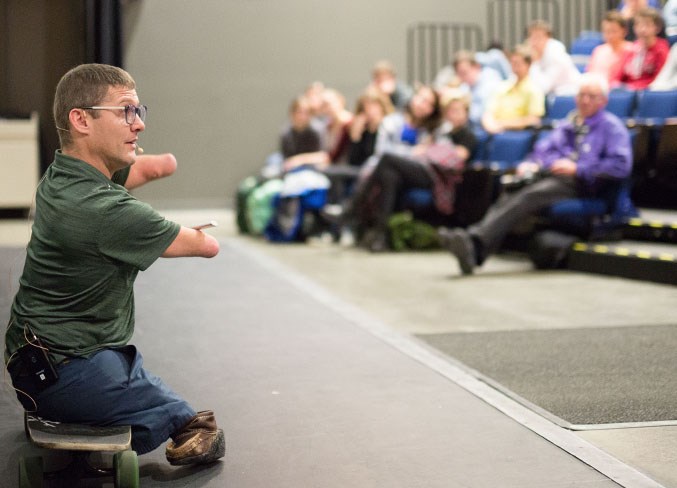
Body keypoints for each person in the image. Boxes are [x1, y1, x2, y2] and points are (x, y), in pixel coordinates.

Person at [4, 63, 225, 466]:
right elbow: (206, 246)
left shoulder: (61, 176)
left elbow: (151, 167)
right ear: (81, 119)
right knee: (197, 426)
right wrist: (174, 230)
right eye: (125, 111)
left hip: (29, 355)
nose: (138, 124)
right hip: (64, 372)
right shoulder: (106, 210)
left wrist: (155, 165)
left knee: (119, 363)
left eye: (140, 111)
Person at [439, 73, 632, 275]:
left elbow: (620, 166)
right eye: (581, 94)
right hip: (551, 176)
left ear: (604, 100)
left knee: (531, 195)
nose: (584, 100)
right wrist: (530, 164)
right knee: (513, 188)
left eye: (591, 96)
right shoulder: (568, 125)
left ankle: (474, 241)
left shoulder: (612, 128)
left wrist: (577, 168)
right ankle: (475, 249)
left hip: (582, 184)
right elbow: (542, 151)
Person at [351, 90, 477, 252]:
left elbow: (452, 158)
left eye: (456, 111)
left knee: (387, 159)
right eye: (449, 111)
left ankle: (353, 209)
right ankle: (381, 235)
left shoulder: (456, 132)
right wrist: (420, 151)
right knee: (390, 176)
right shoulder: (401, 123)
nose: (451, 115)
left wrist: (430, 149)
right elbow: (426, 152)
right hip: (413, 170)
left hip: (435, 176)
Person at [481, 45, 545, 134]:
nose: (515, 67)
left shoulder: (534, 89)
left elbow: (533, 119)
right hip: (496, 131)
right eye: (512, 63)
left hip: (518, 134)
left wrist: (503, 124)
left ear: (528, 64)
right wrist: (490, 125)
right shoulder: (502, 86)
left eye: (518, 63)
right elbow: (488, 113)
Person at [612, 7, 670, 89]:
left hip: (648, 93)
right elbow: (617, 77)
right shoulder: (631, 49)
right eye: (638, 25)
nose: (642, 29)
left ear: (657, 28)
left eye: (647, 25)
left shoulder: (661, 49)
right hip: (628, 92)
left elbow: (661, 80)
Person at [446, 50, 503, 127]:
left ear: (477, 67)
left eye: (464, 72)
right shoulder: (465, 86)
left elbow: (485, 113)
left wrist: (463, 114)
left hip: (489, 126)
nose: (462, 78)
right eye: (459, 74)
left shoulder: (490, 79)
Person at [526, 20, 581, 96]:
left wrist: (534, 63)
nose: (534, 42)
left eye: (538, 37)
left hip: (569, 94)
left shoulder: (556, 55)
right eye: (531, 37)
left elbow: (542, 88)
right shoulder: (531, 52)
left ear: (548, 38)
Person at [586, 11, 633, 85]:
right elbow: (589, 75)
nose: (610, 35)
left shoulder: (632, 50)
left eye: (613, 31)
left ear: (624, 31)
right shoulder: (599, 50)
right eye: (606, 31)